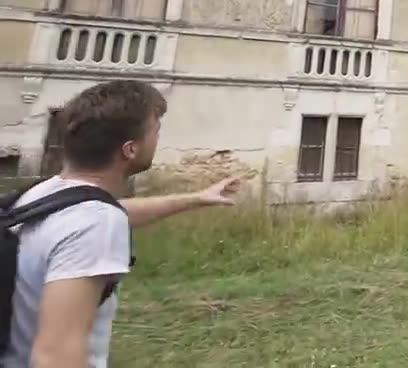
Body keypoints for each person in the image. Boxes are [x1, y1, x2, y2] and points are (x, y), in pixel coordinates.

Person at [2, 80, 242, 368]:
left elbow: (116, 211)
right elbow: (56, 355)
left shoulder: (41, 194)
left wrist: (198, 198)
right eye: (155, 131)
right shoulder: (95, 223)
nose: (157, 139)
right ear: (129, 149)